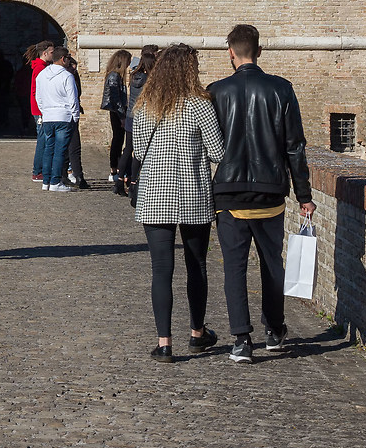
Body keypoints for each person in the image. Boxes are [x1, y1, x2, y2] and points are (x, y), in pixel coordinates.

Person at [207, 23, 314, 363]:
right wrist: (304, 195)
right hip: (270, 192)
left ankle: (241, 339)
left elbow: (208, 145)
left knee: (234, 268)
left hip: (229, 194)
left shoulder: (216, 91)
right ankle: (274, 329)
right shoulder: (281, 89)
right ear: (259, 51)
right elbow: (294, 147)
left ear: (231, 53)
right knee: (272, 265)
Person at [131, 44, 222, 362]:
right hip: (194, 195)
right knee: (196, 266)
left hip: (156, 196)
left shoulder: (146, 105)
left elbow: (139, 152)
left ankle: (165, 343)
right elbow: (217, 152)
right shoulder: (201, 104)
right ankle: (197, 335)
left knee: (161, 270)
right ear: (190, 69)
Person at [32, 45, 80, 189]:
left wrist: (44, 110)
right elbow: (73, 99)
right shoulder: (67, 76)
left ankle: (46, 181)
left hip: (48, 116)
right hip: (63, 116)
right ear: (63, 59)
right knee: (60, 151)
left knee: (48, 149)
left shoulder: (42, 75)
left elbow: (38, 96)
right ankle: (55, 181)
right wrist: (75, 116)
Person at [57, 46, 92, 188]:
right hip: (67, 115)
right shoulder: (66, 78)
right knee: (67, 147)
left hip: (71, 115)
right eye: (72, 68)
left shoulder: (73, 77)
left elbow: (77, 96)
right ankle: (67, 175)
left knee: (74, 147)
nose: (74, 70)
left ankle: (77, 176)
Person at [99, 49, 134, 184]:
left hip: (117, 110)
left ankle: (117, 168)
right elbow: (115, 99)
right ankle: (115, 169)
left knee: (118, 140)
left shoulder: (115, 76)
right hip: (116, 111)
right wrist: (122, 116)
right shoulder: (114, 76)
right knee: (117, 140)